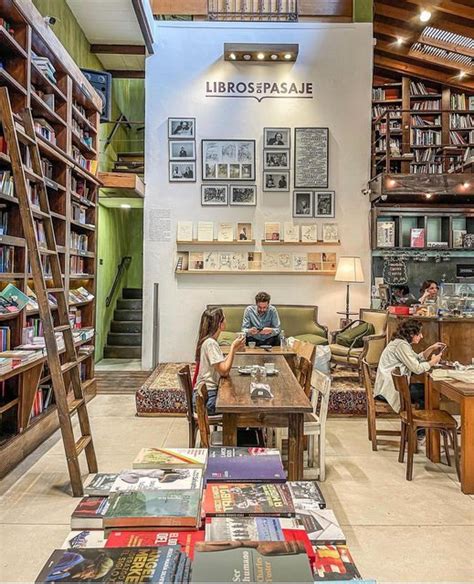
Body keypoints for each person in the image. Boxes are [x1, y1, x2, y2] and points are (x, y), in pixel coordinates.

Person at [374, 319, 443, 415]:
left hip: (391, 386)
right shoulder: (401, 345)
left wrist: (430, 349)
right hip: (390, 390)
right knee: (429, 391)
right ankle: (422, 426)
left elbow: (416, 359)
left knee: (427, 390)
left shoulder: (400, 343)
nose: (421, 336)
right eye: (419, 334)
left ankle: (420, 427)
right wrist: (432, 362)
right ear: (411, 334)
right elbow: (417, 368)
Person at [194, 307, 245, 415]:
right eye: (224, 318)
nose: (226, 320)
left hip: (206, 395)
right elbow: (224, 371)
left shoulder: (210, 341)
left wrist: (234, 349)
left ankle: (245, 431)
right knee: (241, 406)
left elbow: (221, 364)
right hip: (207, 399)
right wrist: (232, 347)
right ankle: (241, 431)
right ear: (219, 324)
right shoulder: (211, 343)